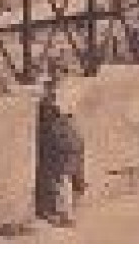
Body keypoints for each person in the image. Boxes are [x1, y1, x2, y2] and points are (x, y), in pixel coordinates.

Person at [35, 74, 87, 226]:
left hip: (65, 143)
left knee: (62, 177)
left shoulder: (51, 110)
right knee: (72, 177)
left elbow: (52, 131)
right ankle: (68, 212)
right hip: (72, 140)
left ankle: (66, 215)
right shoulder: (65, 107)